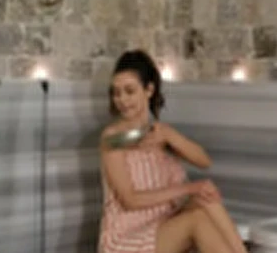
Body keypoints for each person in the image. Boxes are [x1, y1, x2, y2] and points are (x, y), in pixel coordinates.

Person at [98, 50, 248, 253]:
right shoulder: (113, 137)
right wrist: (189, 189)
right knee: (196, 218)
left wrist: (170, 136)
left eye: (129, 91)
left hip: (161, 223)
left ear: (149, 90)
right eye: (116, 93)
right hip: (126, 236)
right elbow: (130, 200)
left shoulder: (160, 133)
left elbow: (204, 161)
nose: (122, 100)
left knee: (205, 198)